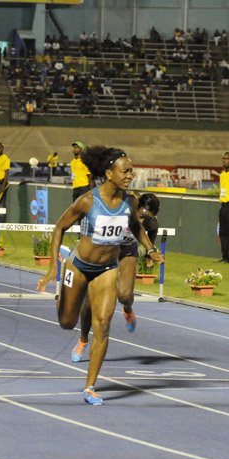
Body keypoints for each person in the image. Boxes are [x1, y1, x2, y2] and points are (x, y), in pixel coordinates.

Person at [36, 146, 164, 405]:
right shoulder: (88, 201)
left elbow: (136, 227)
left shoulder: (130, 202)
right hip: (79, 265)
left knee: (103, 326)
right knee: (66, 322)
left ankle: (90, 387)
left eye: (132, 170)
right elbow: (59, 227)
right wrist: (52, 266)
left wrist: (149, 249)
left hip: (107, 269)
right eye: (125, 171)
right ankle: (64, 297)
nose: (130, 175)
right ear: (109, 173)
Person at [71, 193, 161, 363]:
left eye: (146, 219)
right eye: (140, 217)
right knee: (89, 303)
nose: (141, 222)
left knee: (125, 296)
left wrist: (150, 253)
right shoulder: (122, 210)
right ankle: (83, 340)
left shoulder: (150, 221)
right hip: (104, 252)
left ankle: (127, 309)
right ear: (136, 209)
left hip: (127, 252)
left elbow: (152, 231)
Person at [219, 151, 229, 262]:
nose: (224, 161)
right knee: (223, 232)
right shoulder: (222, 175)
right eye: (223, 159)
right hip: (223, 206)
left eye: (226, 159)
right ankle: (225, 257)